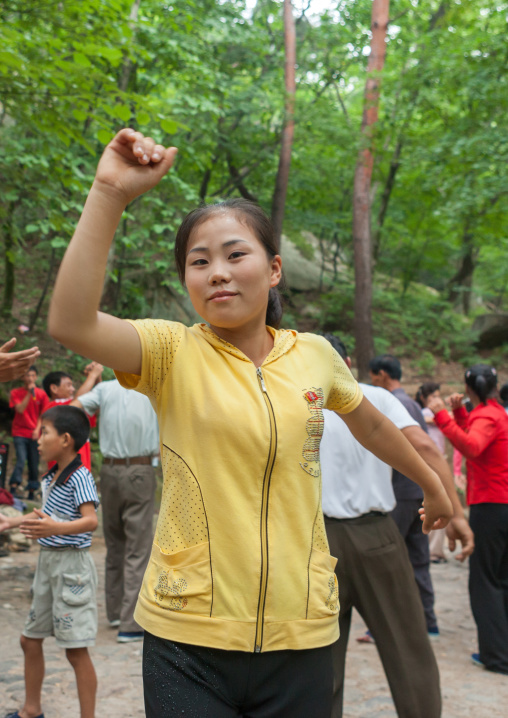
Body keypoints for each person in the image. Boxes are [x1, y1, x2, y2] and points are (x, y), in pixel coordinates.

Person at [47, 128, 453, 717]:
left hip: (303, 633)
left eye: (236, 254)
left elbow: (370, 425)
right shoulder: (169, 352)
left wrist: (433, 482)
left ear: (275, 269)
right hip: (187, 634)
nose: (217, 272)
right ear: (186, 280)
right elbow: (71, 322)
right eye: (199, 261)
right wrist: (110, 192)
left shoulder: (315, 353)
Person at [321, 336, 473, 718]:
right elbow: (424, 447)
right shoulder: (378, 397)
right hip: (377, 537)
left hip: (315, 539)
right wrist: (454, 512)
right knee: (408, 647)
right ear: (350, 360)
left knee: (317, 656)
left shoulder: (293, 400)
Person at [0, 405, 100, 718]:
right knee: (29, 640)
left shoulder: (80, 476)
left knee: (76, 651)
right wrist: (10, 523)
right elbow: (45, 515)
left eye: (44, 432)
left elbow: (91, 521)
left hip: (72, 569)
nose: (38, 439)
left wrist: (55, 529)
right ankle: (32, 709)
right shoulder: (53, 475)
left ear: (66, 440)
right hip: (48, 566)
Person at [428, 364, 508, 675]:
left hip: (491, 504)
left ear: (471, 386)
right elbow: (475, 434)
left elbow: (472, 446)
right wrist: (460, 414)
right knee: (500, 578)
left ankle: (496, 656)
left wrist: (442, 416)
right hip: (500, 504)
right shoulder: (496, 412)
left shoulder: (489, 415)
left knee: (484, 581)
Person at [72, 379, 159, 643]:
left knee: (115, 543)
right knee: (137, 547)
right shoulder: (153, 386)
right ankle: (130, 624)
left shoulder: (104, 389)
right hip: (140, 470)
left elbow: (75, 406)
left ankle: (114, 612)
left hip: (109, 471)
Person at [369, 355, 440, 636]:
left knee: (388, 558)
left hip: (401, 491)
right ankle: (428, 621)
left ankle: (384, 627)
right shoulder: (412, 403)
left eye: (374, 377)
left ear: (383, 375)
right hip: (419, 492)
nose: (373, 382)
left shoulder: (389, 403)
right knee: (419, 558)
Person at [42, 362, 104, 471]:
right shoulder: (52, 408)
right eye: (68, 385)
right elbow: (78, 402)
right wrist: (92, 376)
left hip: (82, 467)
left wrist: (97, 378)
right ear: (54, 388)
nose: (73, 389)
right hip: (64, 471)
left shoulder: (71, 404)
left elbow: (98, 403)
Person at [416, 382, 447, 563]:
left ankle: (432, 549)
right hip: (433, 461)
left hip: (434, 460)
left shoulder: (425, 414)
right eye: (433, 397)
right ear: (424, 398)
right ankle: (433, 550)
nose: (437, 400)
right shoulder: (427, 414)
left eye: (438, 396)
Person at [9, 366, 50, 500]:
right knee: (21, 459)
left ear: (36, 377)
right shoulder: (16, 392)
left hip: (34, 433)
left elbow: (43, 414)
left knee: (34, 463)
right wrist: (29, 393)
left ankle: (32, 490)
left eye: (33, 375)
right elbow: (20, 409)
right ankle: (13, 487)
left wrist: (37, 429)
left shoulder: (41, 394)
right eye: (27, 375)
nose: (30, 378)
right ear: (23, 377)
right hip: (19, 432)